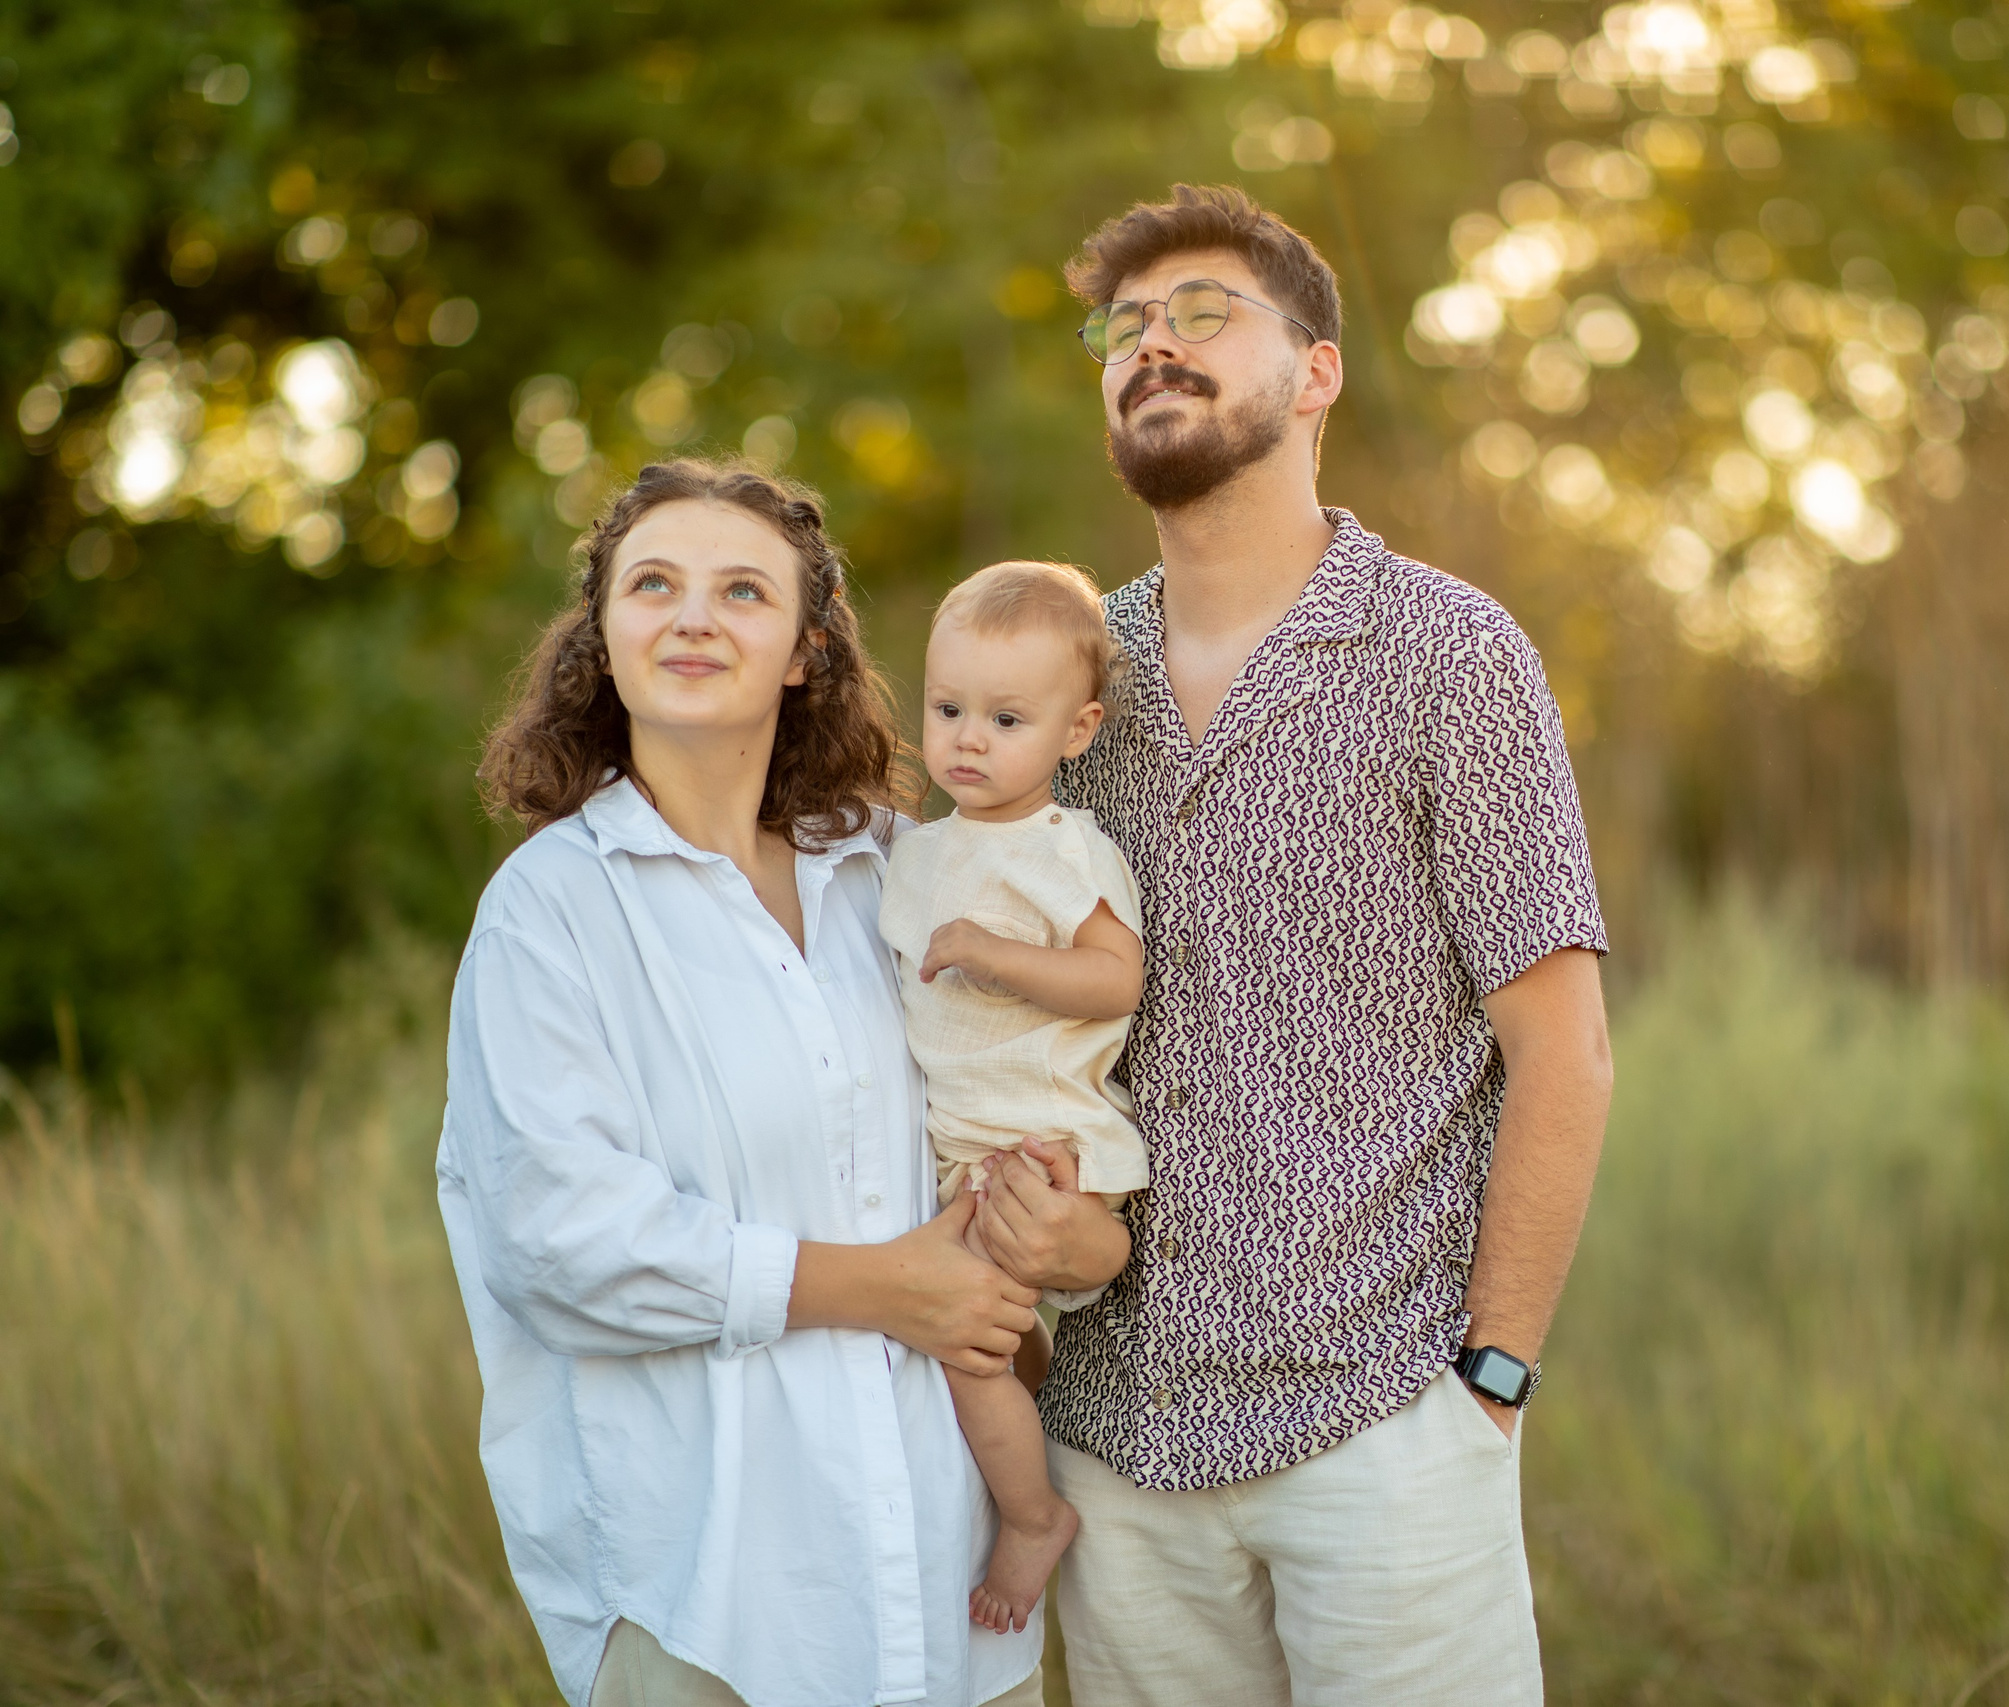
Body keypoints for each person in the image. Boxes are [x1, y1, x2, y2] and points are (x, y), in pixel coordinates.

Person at [1036, 183, 1616, 1706]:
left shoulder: (1449, 652)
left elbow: (1563, 1050)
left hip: (1383, 1431)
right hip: (1116, 1446)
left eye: (1202, 313)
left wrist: (1490, 1379)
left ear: (1317, 372)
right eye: (1123, 328)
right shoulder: (1072, 682)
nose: (1151, 346)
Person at [437, 458, 1124, 1707]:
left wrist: (1076, 1236)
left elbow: (1034, 1090)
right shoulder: (551, 911)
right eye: (654, 584)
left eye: (742, 591)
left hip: (944, 1586)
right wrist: (883, 1287)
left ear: (805, 653)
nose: (693, 617)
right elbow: (555, 1242)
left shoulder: (898, 871)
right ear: (603, 637)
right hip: (713, 1598)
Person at [878, 559, 1151, 1639]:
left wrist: (996, 955)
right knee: (996, 1338)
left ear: (1076, 733)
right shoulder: (918, 850)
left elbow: (1115, 979)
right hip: (967, 1146)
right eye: (948, 709)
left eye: (1005, 719)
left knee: (963, 1343)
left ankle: (1034, 1518)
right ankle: (1031, 1445)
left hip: (1042, 1142)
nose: (968, 741)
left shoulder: (1061, 850)